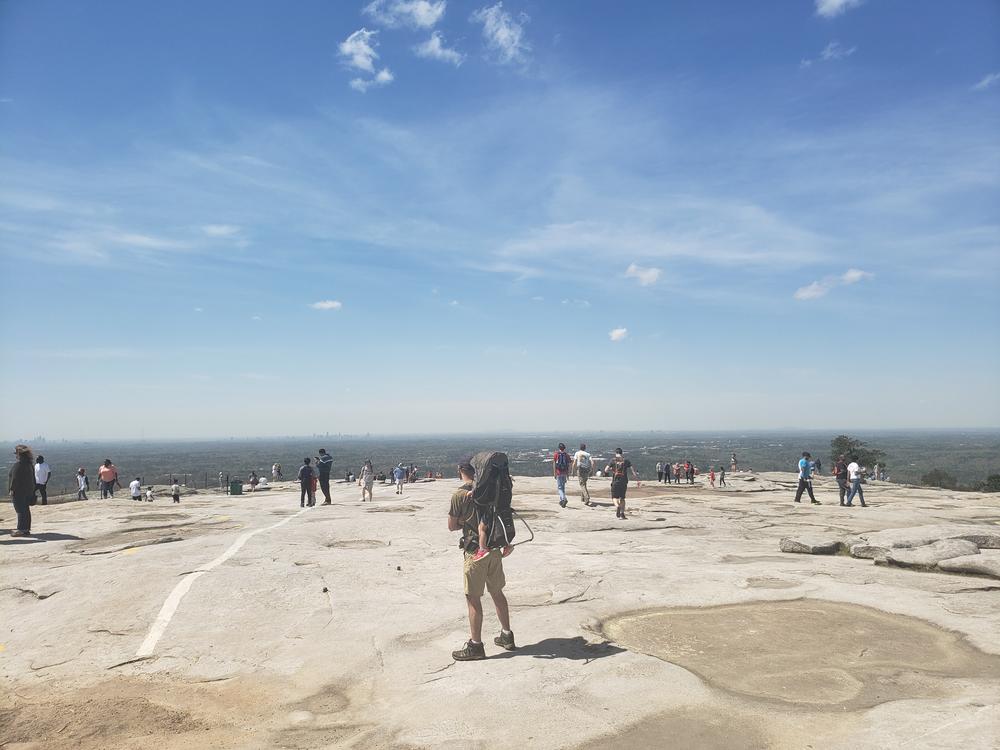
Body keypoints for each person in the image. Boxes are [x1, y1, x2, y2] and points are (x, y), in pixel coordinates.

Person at [447, 459, 514, 661]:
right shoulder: (491, 490)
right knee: (497, 593)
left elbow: (452, 526)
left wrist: (463, 521)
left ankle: (476, 646)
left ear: (459, 470)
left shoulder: (459, 495)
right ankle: (507, 636)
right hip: (494, 549)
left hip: (475, 552)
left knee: (473, 599)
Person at [8, 444, 36, 537]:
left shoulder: (18, 465)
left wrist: (12, 489)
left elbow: (15, 478)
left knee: (20, 510)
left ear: (19, 454)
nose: (16, 455)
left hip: (19, 491)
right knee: (25, 510)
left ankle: (21, 529)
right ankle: (26, 529)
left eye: (16, 454)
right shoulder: (29, 464)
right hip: (28, 491)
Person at [606, 448, 640, 520]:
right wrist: (637, 480)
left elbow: (606, 470)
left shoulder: (613, 460)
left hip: (615, 481)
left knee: (614, 497)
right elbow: (633, 471)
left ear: (616, 453)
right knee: (622, 498)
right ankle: (622, 513)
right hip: (624, 482)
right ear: (622, 453)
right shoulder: (626, 461)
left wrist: (611, 469)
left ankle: (617, 506)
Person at [553, 442, 571, 508]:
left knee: (560, 488)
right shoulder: (566, 455)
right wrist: (568, 474)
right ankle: (562, 501)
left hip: (559, 472)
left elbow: (554, 464)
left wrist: (554, 473)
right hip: (564, 473)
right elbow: (569, 465)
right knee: (563, 487)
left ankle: (563, 499)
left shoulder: (556, 454)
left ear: (559, 448)